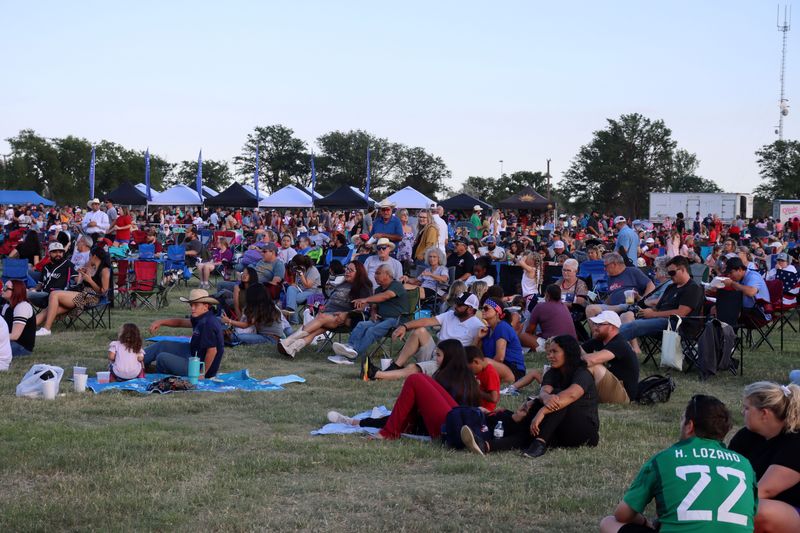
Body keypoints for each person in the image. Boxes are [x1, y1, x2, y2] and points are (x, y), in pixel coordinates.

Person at [600, 395, 757, 533]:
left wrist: (645, 522)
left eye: (682, 419)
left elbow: (622, 514)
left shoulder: (664, 459)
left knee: (608, 523)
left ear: (690, 426)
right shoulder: (745, 465)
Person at [461, 335, 599, 458]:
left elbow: (569, 396)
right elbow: (544, 391)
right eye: (549, 352)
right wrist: (540, 401)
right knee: (528, 430)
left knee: (555, 396)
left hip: (584, 431)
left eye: (554, 352)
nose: (549, 356)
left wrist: (542, 411)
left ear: (568, 353)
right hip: (559, 427)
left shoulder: (582, 373)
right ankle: (486, 445)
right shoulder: (553, 372)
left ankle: (540, 442)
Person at [327, 339, 479, 440]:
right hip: (455, 423)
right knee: (399, 415)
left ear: (450, 357)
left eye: (438, 355)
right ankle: (357, 422)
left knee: (401, 414)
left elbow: (426, 411)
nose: (436, 359)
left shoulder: (446, 379)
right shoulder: (469, 379)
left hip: (440, 426)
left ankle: (360, 424)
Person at [729, 381, 800, 533]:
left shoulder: (795, 442)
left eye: (747, 408)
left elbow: (765, 491)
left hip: (792, 509)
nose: (742, 412)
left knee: (756, 510)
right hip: (755, 502)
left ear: (764, 413)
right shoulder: (745, 436)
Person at [362, 293, 484, 381]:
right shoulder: (450, 314)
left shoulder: (477, 326)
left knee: (413, 368)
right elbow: (426, 321)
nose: (456, 306)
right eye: (456, 302)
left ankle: (376, 374)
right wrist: (404, 326)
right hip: (437, 351)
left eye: (460, 305)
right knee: (420, 331)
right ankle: (396, 365)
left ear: (471, 310)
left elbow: (473, 354)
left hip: (449, 363)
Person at [278, 261, 372, 357]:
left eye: (351, 270)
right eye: (347, 269)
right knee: (315, 330)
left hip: (344, 319)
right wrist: (324, 306)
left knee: (321, 318)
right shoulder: (343, 284)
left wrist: (346, 314)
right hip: (328, 316)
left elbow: (363, 309)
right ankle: (292, 349)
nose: (347, 272)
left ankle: (288, 341)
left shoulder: (363, 287)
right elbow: (331, 299)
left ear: (359, 272)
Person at [332, 265, 409, 365]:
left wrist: (366, 299)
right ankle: (349, 348)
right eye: (375, 273)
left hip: (397, 320)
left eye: (378, 273)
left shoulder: (396, 285)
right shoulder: (378, 290)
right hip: (381, 319)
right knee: (361, 325)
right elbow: (374, 305)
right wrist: (373, 313)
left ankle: (351, 356)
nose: (375, 276)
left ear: (388, 275)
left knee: (372, 330)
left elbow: (386, 296)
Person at [618, 255, 705, 343]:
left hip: (678, 325)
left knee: (634, 326)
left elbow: (681, 313)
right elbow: (657, 308)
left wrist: (653, 314)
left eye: (672, 273)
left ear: (682, 270)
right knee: (628, 321)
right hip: (662, 320)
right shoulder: (671, 287)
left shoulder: (693, 288)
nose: (670, 276)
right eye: (668, 273)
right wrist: (645, 311)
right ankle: (613, 348)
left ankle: (612, 349)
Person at [145, 289, 225, 378]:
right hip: (192, 353)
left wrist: (202, 373)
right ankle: (134, 361)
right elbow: (181, 322)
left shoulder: (208, 323)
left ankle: (142, 369)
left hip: (197, 365)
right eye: (191, 305)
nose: (192, 308)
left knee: (162, 358)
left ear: (206, 306)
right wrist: (161, 322)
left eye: (196, 305)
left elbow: (212, 351)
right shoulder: (202, 317)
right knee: (161, 345)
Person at [35, 247, 112, 336]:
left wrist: (90, 280)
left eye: (90, 256)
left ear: (94, 256)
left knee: (54, 294)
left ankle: (47, 329)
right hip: (82, 293)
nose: (89, 258)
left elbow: (103, 292)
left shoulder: (105, 270)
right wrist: (81, 275)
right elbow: (79, 284)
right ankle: (28, 327)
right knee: (50, 309)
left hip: (92, 297)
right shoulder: (91, 267)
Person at [583, 311, 639, 404]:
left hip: (623, 394)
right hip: (608, 387)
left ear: (612, 327)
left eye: (599, 324)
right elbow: (577, 351)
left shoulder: (619, 343)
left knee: (594, 366)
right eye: (594, 324)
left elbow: (591, 360)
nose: (594, 327)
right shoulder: (598, 340)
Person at [586, 252, 655, 319]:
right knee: (590, 309)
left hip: (628, 307)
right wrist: (602, 304)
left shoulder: (632, 271)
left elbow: (651, 285)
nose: (604, 268)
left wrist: (643, 301)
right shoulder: (610, 278)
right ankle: (595, 331)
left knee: (625, 315)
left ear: (614, 264)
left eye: (605, 266)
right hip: (614, 308)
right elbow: (612, 295)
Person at [478, 298, 525, 383]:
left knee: (485, 362)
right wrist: (477, 338)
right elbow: (474, 355)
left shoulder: (502, 327)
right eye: (481, 308)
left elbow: (500, 357)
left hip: (514, 371)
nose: (483, 310)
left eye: (486, 308)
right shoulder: (487, 331)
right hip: (498, 367)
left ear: (497, 312)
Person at [520, 284, 577, 352]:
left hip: (556, 345)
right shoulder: (564, 306)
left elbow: (529, 331)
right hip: (573, 345)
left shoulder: (540, 307)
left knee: (522, 336)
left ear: (547, 295)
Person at [28, 242, 74, 308]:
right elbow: (40, 284)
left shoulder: (67, 264)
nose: (58, 254)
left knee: (23, 295)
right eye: (55, 252)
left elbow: (77, 278)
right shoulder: (46, 267)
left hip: (56, 295)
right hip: (43, 295)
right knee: (21, 293)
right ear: (49, 253)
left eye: (60, 252)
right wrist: (34, 289)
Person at [283, 254, 321, 325]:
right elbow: (298, 283)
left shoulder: (313, 270)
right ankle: (291, 310)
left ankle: (294, 321)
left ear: (300, 264)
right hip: (301, 290)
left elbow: (308, 285)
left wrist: (301, 274)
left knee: (294, 298)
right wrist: (294, 284)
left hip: (312, 291)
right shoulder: (299, 269)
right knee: (290, 288)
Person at [2, 279, 37, 356]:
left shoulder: (22, 307)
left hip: (22, 347)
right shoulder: (7, 306)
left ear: (15, 291)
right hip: (8, 342)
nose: (2, 289)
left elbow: (15, 336)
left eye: (5, 288)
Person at [467, 346, 500, 412]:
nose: (470, 372)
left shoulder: (490, 373)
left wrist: (475, 390)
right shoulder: (480, 370)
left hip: (485, 411)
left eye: (470, 369)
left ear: (476, 362)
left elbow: (494, 398)